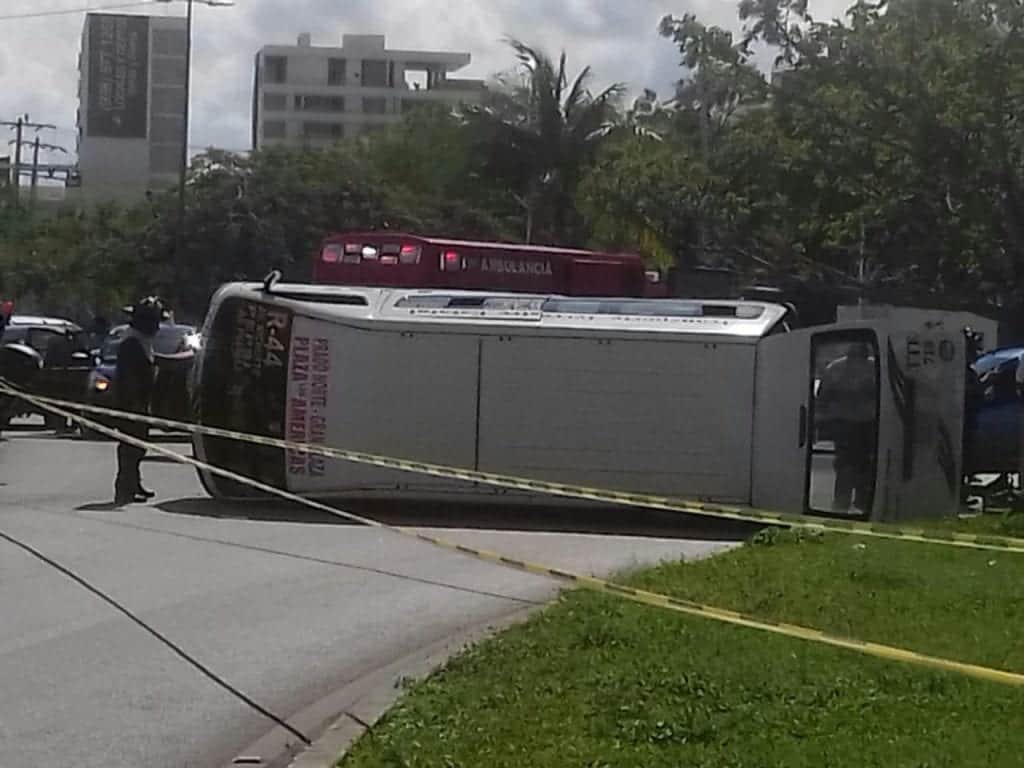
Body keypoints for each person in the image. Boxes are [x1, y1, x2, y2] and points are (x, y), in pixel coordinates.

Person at [114, 296, 168, 505]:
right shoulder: (132, 343)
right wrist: (135, 404)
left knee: (138, 446)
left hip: (139, 403)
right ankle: (124, 487)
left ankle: (133, 483)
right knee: (130, 446)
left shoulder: (142, 343)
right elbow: (130, 378)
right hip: (131, 404)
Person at [816, 341, 878, 514]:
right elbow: (823, 399)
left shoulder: (836, 368)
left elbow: (822, 399)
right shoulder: (838, 369)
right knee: (852, 466)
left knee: (857, 466)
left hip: (860, 424)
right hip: (853, 425)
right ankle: (850, 503)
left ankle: (852, 503)